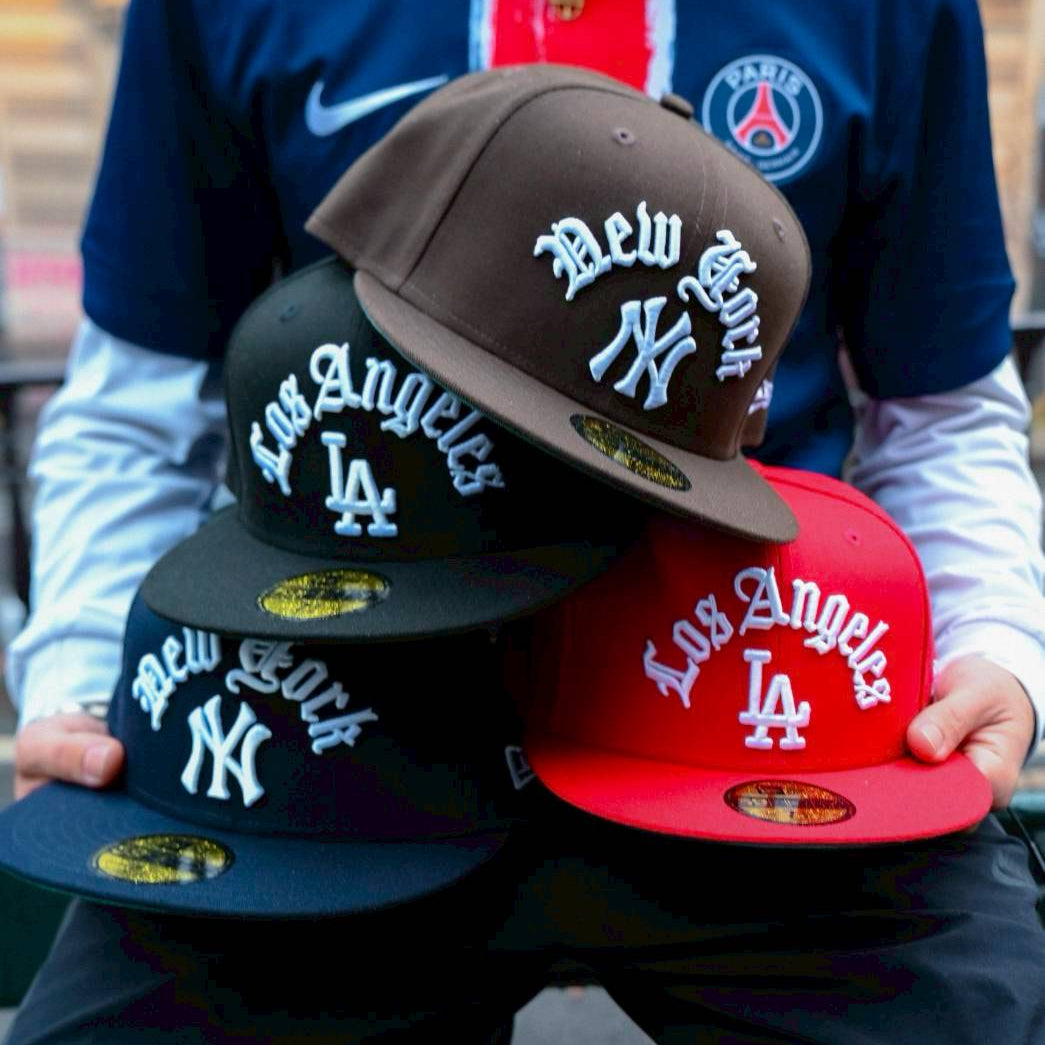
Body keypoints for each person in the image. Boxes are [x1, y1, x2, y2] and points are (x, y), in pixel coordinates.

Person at [5, 1, 1044, 1042]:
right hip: (324, 723)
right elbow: (137, 404)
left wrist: (995, 647)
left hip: (752, 698)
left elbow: (940, 411)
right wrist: (84, 682)